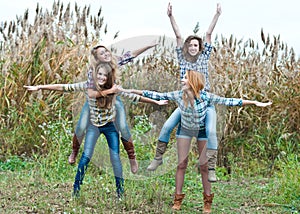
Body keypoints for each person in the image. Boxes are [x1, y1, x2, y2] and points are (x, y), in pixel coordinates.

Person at [124, 70, 272, 212]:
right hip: (185, 130)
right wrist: (131, 90)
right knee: (181, 164)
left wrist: (253, 102)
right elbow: (155, 95)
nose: (182, 80)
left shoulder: (206, 97)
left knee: (204, 166)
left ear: (193, 81)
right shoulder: (178, 95)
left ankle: (207, 201)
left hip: (201, 131)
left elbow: (229, 101)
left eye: (185, 78)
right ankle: (177, 199)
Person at [24, 63, 167, 198]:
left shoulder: (114, 90)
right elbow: (64, 87)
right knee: (86, 157)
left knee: (115, 158)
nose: (101, 78)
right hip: (94, 126)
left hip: (110, 127)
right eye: (99, 74)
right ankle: (76, 190)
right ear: (95, 75)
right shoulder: (88, 86)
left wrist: (156, 102)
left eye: (105, 76)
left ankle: (120, 192)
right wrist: (40, 87)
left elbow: (135, 97)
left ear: (108, 78)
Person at [147, 3, 222, 183]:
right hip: (186, 101)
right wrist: (170, 17)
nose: (192, 47)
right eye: (190, 45)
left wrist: (217, 15)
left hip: (204, 102)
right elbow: (178, 35)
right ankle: (158, 158)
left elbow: (209, 34)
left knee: (211, 132)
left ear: (200, 47)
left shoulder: (204, 58)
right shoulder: (182, 59)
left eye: (196, 45)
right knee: (166, 127)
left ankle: (211, 168)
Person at [70, 42, 158, 175]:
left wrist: (149, 46)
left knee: (123, 126)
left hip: (113, 99)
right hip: (95, 101)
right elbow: (91, 94)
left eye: (106, 51)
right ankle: (74, 151)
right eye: (102, 54)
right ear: (97, 58)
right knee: (81, 125)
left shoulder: (114, 62)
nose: (106, 54)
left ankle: (132, 157)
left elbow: (132, 54)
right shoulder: (93, 71)